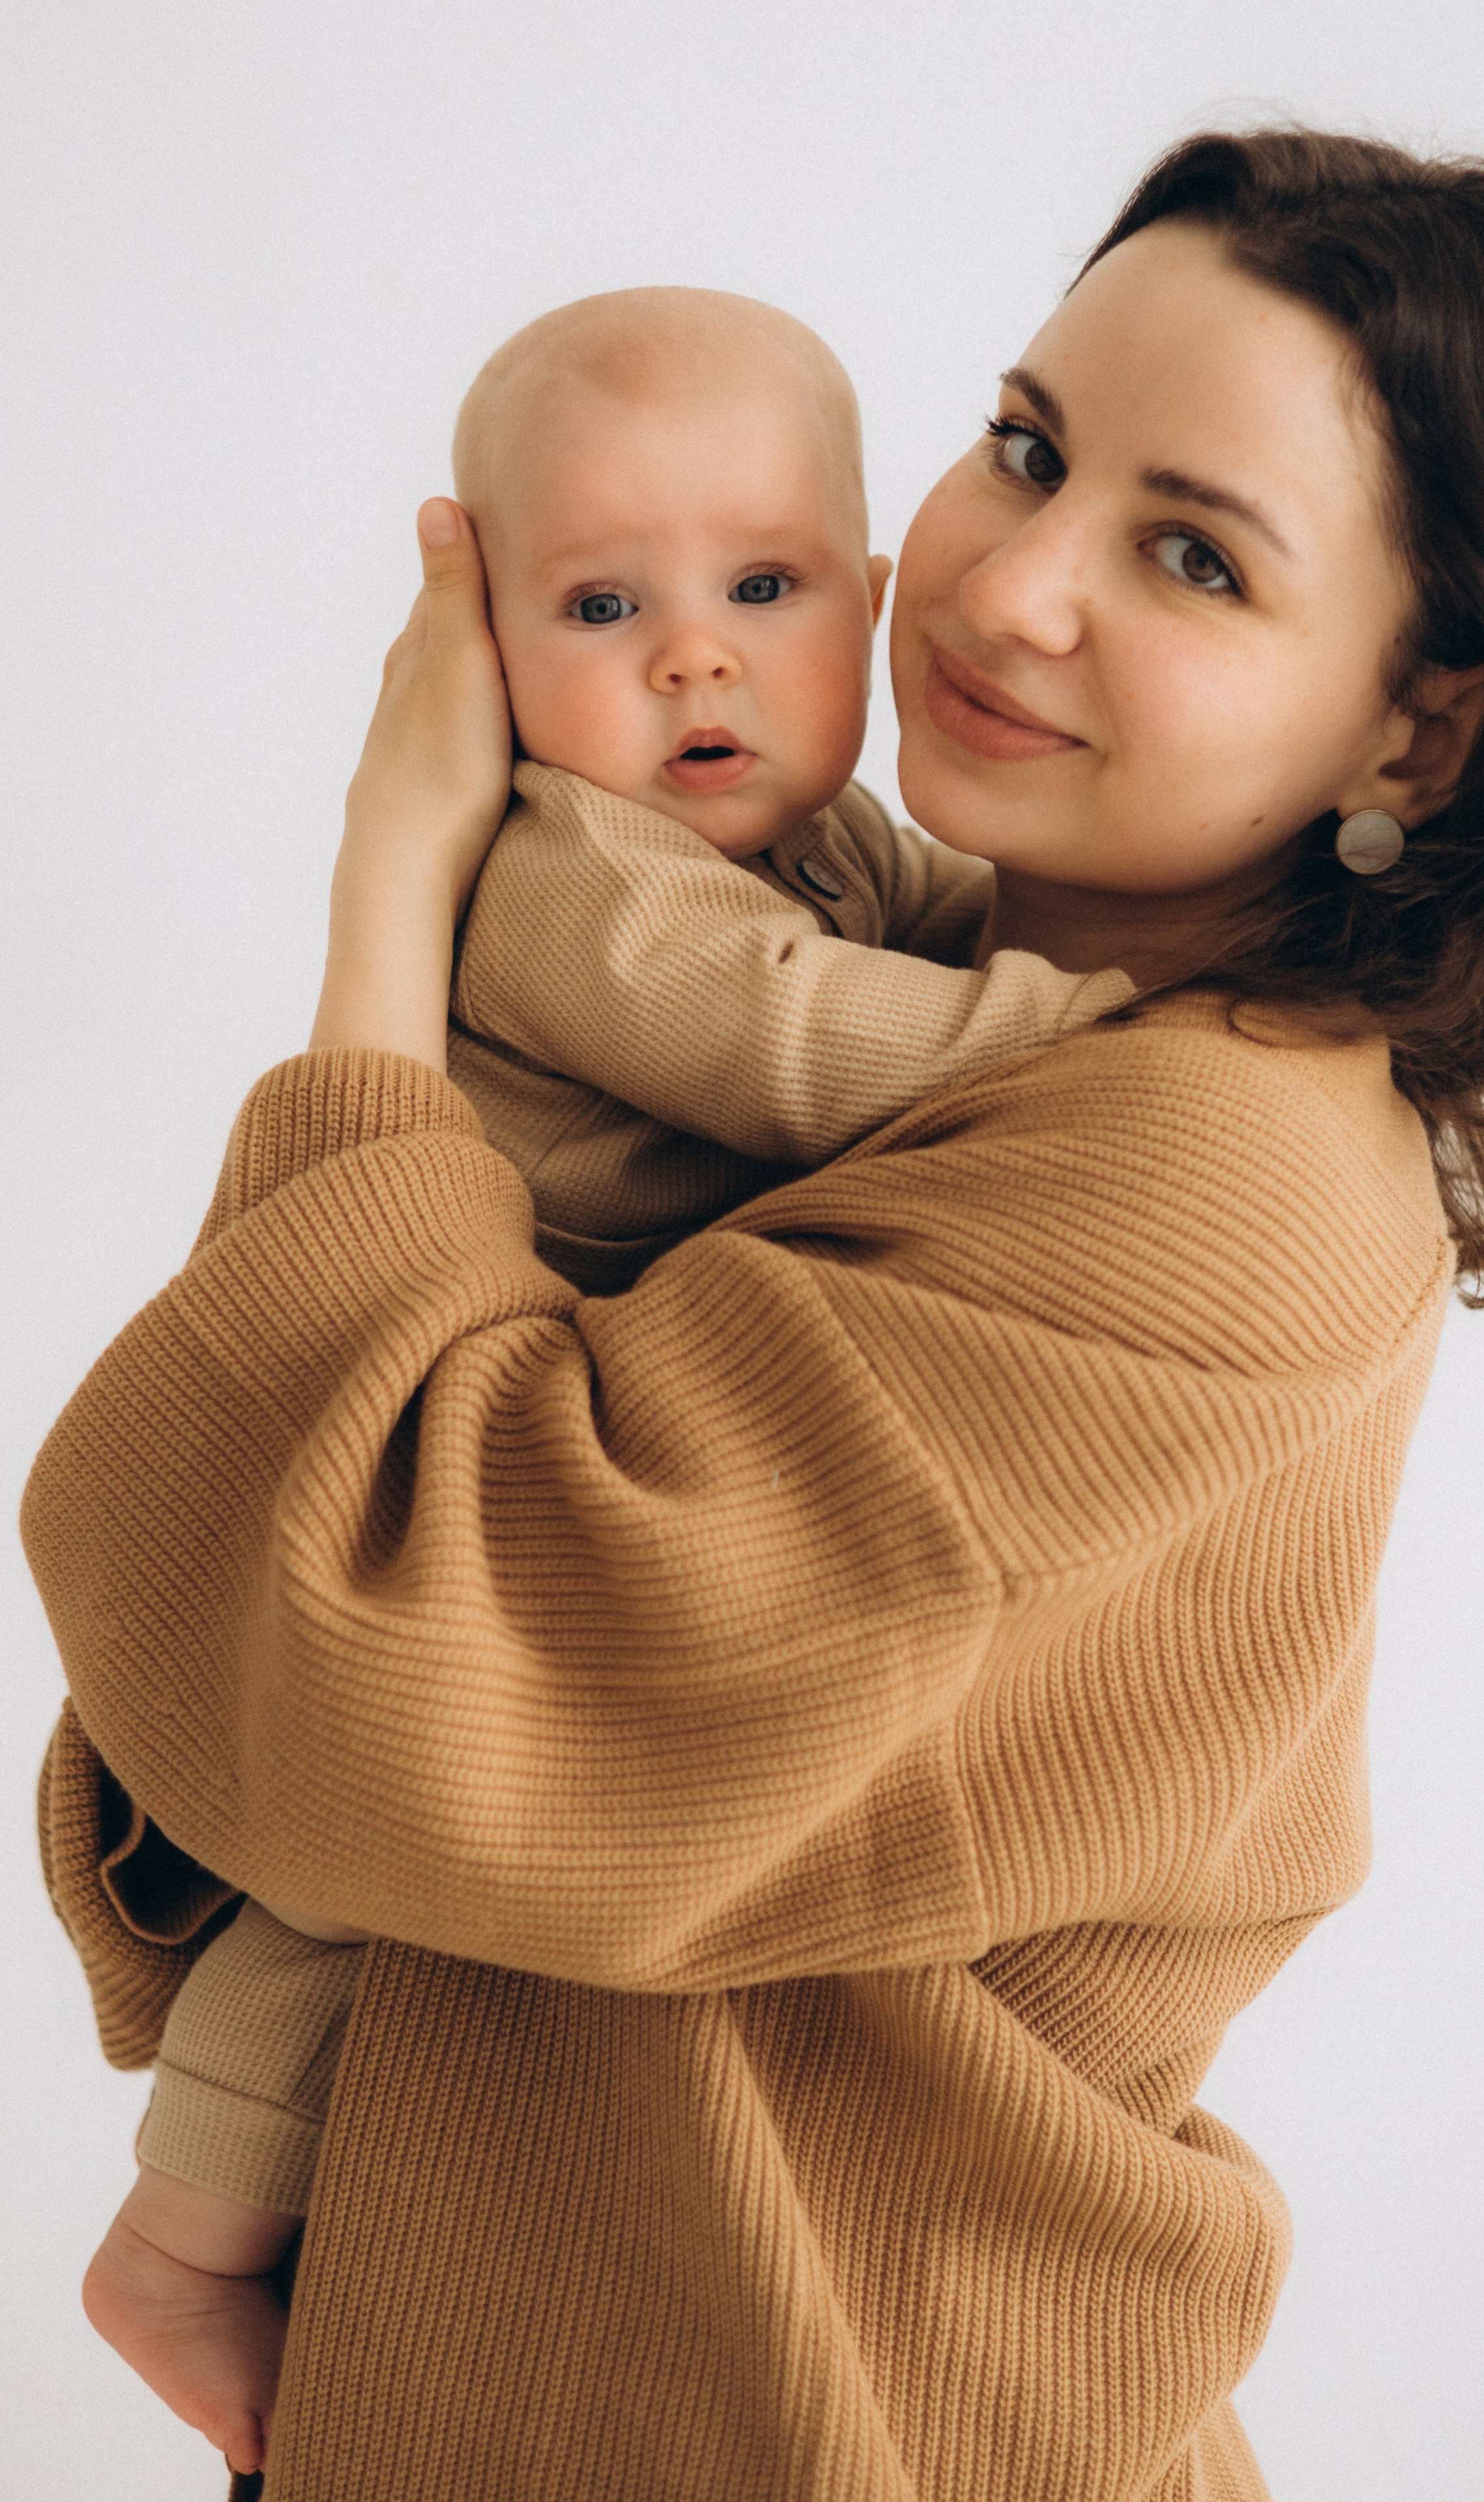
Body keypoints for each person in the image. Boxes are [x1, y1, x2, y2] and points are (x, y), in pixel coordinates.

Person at [23, 130, 1484, 2502]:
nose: (1011, 592)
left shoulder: (1207, 1172)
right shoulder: (965, 971)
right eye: (1028, 447)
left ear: (1415, 732)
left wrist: (392, 902)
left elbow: (398, 1660)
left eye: (1190, 552)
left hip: (820, 2404)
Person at [68, 282, 1134, 2477]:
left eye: (760, 586)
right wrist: (1121, 1032)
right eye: (600, 603)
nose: (692, 657)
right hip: (413, 1432)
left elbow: (921, 934)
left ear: (862, 596)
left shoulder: (826, 853)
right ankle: (180, 2232)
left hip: (583, 1465)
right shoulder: (580, 881)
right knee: (354, 1884)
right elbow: (808, 1048)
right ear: (483, 656)